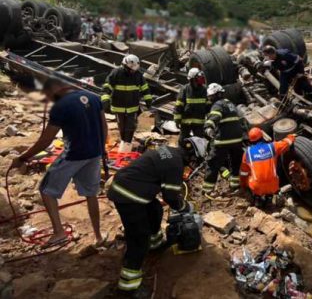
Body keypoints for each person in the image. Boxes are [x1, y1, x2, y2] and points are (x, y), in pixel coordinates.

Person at [10, 78, 107, 248]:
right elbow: (103, 126)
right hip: (94, 153)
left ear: (54, 90)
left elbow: (46, 139)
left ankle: (59, 232)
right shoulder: (93, 97)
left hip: (73, 155)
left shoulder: (60, 107)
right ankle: (98, 236)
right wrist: (101, 148)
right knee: (91, 194)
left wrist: (23, 158)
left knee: (46, 190)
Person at [107, 141, 199, 293]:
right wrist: (186, 207)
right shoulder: (175, 165)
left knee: (155, 209)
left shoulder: (169, 151)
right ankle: (129, 286)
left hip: (129, 186)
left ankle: (154, 244)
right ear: (192, 158)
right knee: (138, 239)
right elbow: (171, 197)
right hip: (128, 195)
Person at [102, 54, 152, 152]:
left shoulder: (138, 75)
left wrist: (148, 100)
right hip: (118, 107)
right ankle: (124, 144)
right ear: (125, 65)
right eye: (131, 69)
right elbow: (107, 87)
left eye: (134, 69)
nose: (133, 71)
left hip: (132, 107)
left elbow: (145, 88)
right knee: (122, 128)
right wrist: (105, 101)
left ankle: (126, 146)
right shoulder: (116, 73)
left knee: (130, 128)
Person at [202, 83, 244, 193]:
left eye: (211, 96)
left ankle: (207, 189)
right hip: (237, 140)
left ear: (217, 94)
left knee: (213, 163)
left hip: (223, 140)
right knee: (235, 163)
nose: (210, 98)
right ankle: (235, 185)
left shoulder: (218, 105)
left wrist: (208, 128)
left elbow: (213, 118)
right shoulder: (231, 104)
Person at [240, 128, 295, 207]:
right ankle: (270, 197)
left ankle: (257, 198)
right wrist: (291, 136)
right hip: (274, 185)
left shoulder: (247, 153)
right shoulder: (272, 146)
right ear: (262, 136)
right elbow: (286, 142)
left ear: (250, 140)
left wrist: (244, 186)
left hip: (257, 187)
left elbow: (243, 172)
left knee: (248, 174)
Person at [174, 68, 210, 142]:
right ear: (193, 79)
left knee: (200, 142)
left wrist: (209, 120)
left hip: (199, 123)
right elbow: (179, 105)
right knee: (182, 141)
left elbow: (208, 106)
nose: (201, 79)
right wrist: (177, 120)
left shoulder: (204, 90)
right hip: (186, 122)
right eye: (199, 77)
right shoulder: (185, 89)